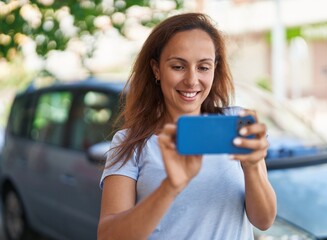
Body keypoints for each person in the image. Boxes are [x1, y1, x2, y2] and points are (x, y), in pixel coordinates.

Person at [98, 12, 276, 240]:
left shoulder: (235, 125)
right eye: (178, 67)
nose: (192, 80)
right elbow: (108, 236)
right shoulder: (131, 143)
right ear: (156, 69)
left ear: (215, 68)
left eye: (203, 67)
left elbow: (264, 221)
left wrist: (252, 167)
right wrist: (170, 187)